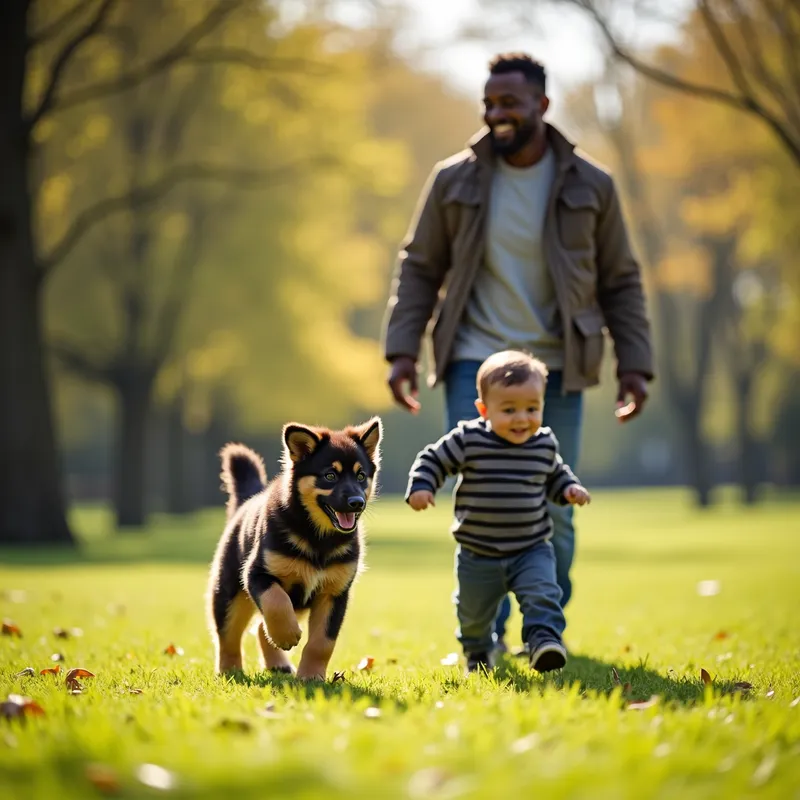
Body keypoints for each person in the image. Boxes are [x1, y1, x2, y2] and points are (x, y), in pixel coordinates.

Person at [382, 52, 653, 652]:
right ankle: (491, 636)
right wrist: (401, 350)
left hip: (561, 367)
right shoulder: (454, 179)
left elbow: (621, 279)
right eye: (489, 103)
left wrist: (634, 364)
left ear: (542, 106)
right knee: (480, 494)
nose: (496, 115)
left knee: (555, 508)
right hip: (471, 361)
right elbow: (420, 267)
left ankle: (541, 628)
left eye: (509, 103)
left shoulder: (591, 184)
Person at [406, 350, 590, 672]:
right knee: (474, 614)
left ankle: (543, 641)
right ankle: (477, 652)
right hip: (478, 552)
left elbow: (556, 475)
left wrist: (569, 489)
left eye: (532, 408)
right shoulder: (469, 439)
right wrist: (423, 486)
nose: (522, 418)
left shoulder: (544, 443)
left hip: (531, 548)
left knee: (543, 594)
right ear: (484, 409)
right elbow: (432, 459)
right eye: (509, 410)